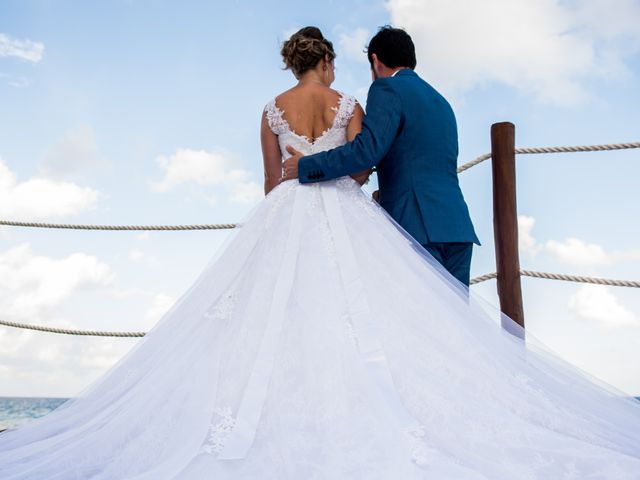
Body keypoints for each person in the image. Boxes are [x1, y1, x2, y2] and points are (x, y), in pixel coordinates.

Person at [1, 26, 640, 480]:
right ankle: (470, 414)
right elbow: (362, 170)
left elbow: (274, 179)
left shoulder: (281, 107)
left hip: (302, 211)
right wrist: (338, 175)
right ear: (328, 63)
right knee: (431, 328)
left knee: (288, 313)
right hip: (434, 216)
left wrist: (302, 170)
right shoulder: (399, 102)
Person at [283, 26, 480, 286]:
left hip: (417, 225)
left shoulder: (387, 89)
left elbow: (366, 151)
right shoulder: (441, 102)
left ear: (375, 61)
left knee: (419, 321)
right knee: (456, 322)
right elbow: (418, 158)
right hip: (457, 227)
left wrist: (306, 166)